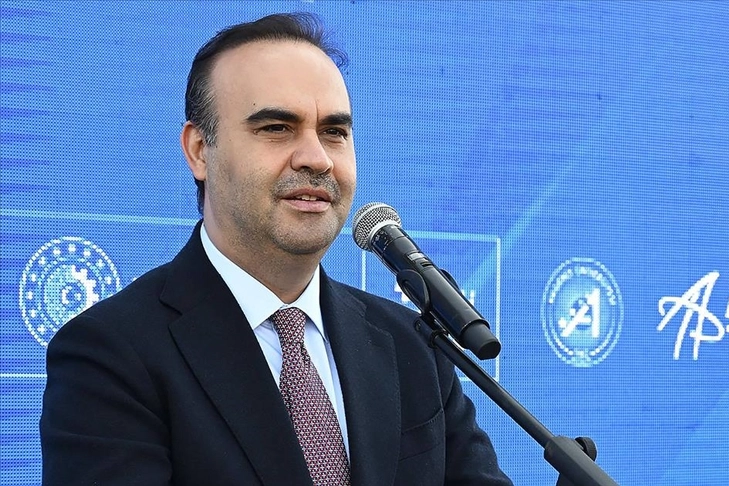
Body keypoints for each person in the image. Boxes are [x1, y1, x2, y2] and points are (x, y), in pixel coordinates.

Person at [40, 12, 512, 486]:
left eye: (334, 132)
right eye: (277, 128)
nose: (317, 159)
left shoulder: (413, 344)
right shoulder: (111, 354)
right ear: (200, 150)